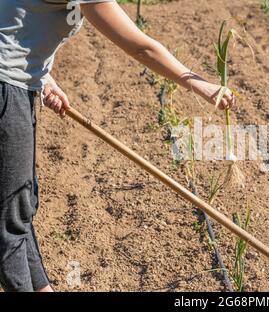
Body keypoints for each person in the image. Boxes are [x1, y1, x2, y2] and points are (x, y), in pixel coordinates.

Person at [0, 0, 236, 292]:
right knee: (8, 225)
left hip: (16, 85)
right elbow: (141, 47)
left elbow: (14, 19)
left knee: (19, 207)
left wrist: (43, 77)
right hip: (6, 89)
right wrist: (200, 84)